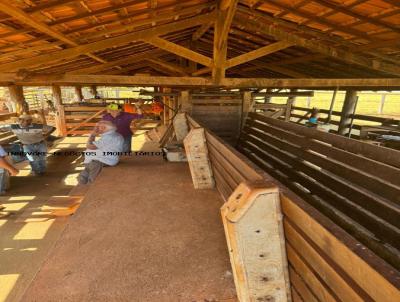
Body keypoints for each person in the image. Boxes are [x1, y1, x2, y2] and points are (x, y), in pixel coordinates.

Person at [78, 121, 124, 185]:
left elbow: (90, 146)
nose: (95, 129)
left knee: (92, 181)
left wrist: (92, 135)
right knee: (82, 177)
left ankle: (90, 192)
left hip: (100, 161)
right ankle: (82, 190)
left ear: (103, 128)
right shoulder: (110, 135)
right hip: (95, 160)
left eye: (97, 127)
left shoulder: (110, 137)